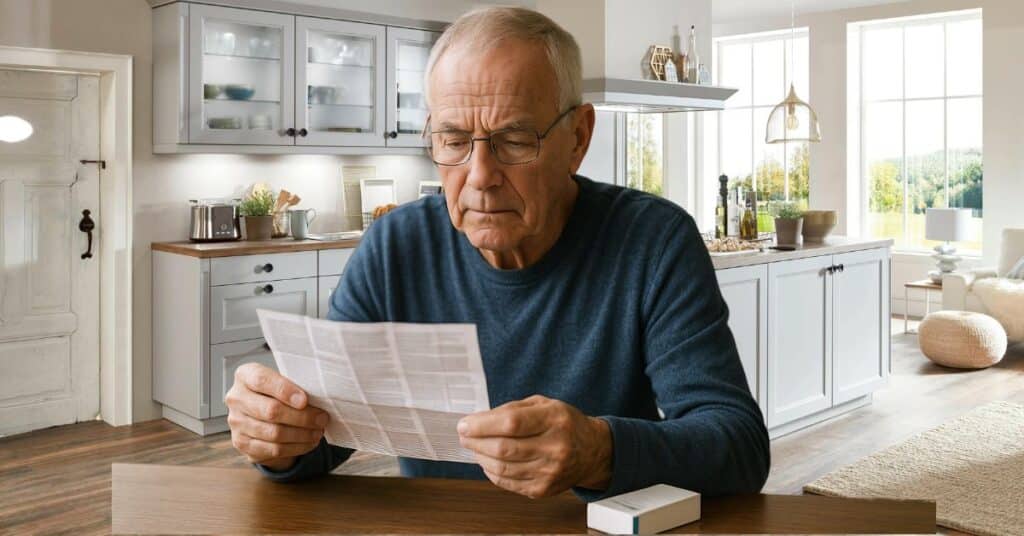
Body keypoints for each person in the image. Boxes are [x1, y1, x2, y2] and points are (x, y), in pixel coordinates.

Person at [225, 6, 770, 501]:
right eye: (454, 140)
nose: (480, 178)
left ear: (578, 137)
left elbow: (739, 448)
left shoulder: (653, 241)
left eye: (514, 141)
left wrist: (598, 450)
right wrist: (277, 435)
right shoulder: (395, 245)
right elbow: (329, 435)